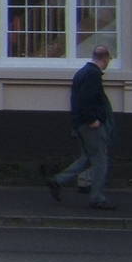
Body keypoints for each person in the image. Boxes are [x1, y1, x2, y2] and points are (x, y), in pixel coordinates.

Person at [46, 44, 116, 210]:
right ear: (105, 59)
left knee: (86, 159)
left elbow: (78, 99)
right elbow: (87, 99)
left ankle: (58, 181)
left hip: (81, 124)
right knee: (100, 161)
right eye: (108, 60)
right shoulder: (93, 75)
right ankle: (97, 198)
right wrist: (93, 119)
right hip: (90, 125)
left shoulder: (82, 73)